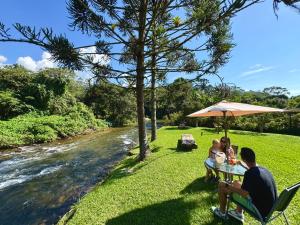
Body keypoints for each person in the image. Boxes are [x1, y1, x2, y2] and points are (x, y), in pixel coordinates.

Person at [212, 147, 278, 222]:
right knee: (236, 182)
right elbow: (252, 170)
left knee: (222, 185)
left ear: (244, 160)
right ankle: (238, 213)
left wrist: (228, 186)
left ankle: (222, 213)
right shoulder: (263, 169)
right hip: (271, 207)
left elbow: (244, 193)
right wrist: (242, 165)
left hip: (260, 210)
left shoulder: (249, 174)